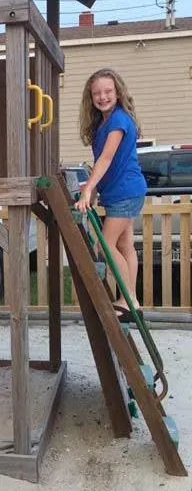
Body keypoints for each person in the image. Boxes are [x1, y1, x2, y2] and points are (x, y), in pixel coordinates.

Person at [74, 68, 147, 322]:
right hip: (119, 192)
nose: (103, 96)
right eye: (97, 93)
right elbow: (101, 164)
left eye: (108, 91)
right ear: (90, 97)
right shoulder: (104, 122)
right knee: (125, 245)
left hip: (126, 190)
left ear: (118, 92)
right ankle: (132, 302)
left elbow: (105, 159)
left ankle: (128, 299)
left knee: (105, 245)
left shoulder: (118, 120)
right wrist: (92, 189)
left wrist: (87, 191)